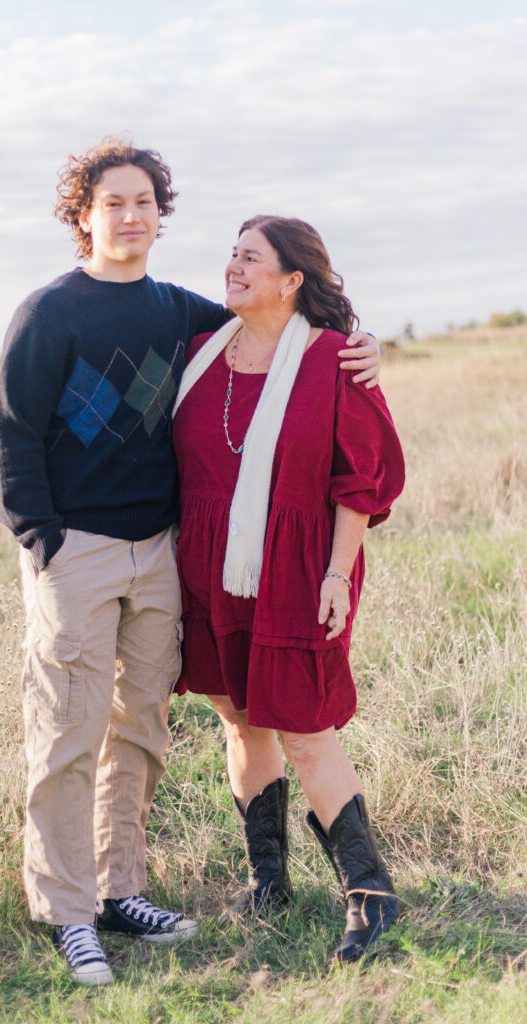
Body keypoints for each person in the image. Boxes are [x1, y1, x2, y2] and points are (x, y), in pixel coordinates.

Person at [0, 137, 382, 985]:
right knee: (66, 733)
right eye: (112, 204)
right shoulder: (49, 312)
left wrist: (365, 346)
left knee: (138, 731)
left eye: (143, 203)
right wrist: (43, 540)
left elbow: (286, 324)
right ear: (82, 216)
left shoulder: (181, 313)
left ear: (158, 217)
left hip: (161, 554)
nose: (129, 217)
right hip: (79, 555)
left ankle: (119, 892)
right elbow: (14, 439)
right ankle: (67, 911)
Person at [172, 215, 405, 964]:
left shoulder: (335, 358)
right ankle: (266, 880)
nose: (232, 268)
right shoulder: (201, 350)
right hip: (208, 568)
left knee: (304, 729)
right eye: (231, 255)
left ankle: (370, 893)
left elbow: (360, 482)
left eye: (250, 258)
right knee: (240, 724)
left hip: (299, 569)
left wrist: (338, 573)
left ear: (291, 279)